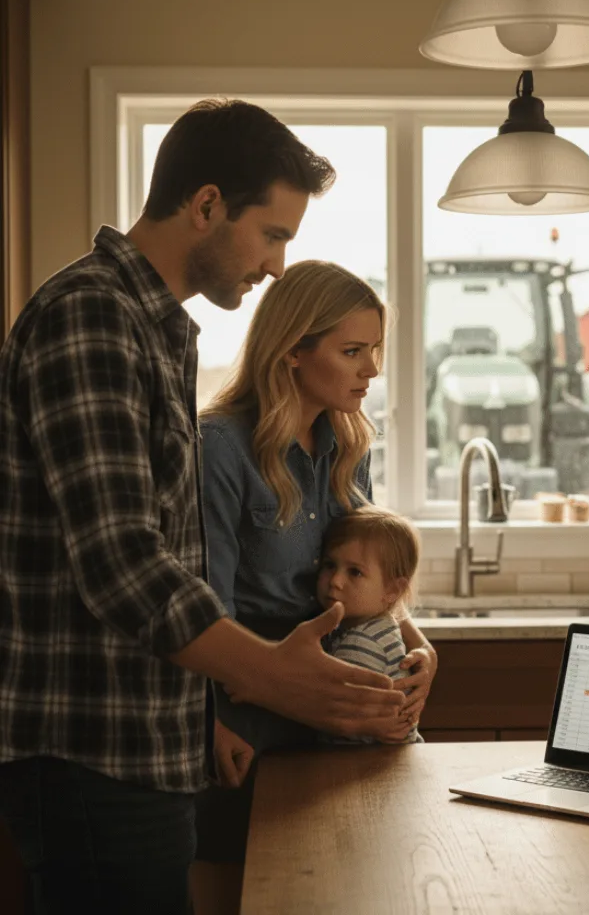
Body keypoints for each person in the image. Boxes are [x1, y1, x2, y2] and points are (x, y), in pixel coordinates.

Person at [0, 99, 408, 915]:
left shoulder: (158, 329)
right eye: (273, 234)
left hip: (144, 741)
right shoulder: (91, 317)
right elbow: (123, 565)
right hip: (91, 748)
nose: (279, 265)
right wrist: (277, 681)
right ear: (208, 206)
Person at [194, 259, 437, 869]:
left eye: (375, 349)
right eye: (353, 350)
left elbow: (371, 568)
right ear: (292, 351)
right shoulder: (219, 447)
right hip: (248, 712)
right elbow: (201, 606)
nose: (373, 369)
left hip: (333, 720)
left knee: (347, 881)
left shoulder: (347, 443)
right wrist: (210, 725)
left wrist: (421, 649)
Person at [317, 506, 425, 746]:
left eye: (354, 572)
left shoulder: (362, 643)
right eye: (329, 565)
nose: (335, 580)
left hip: (369, 766)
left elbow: (340, 726)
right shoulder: (376, 626)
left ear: (392, 590)